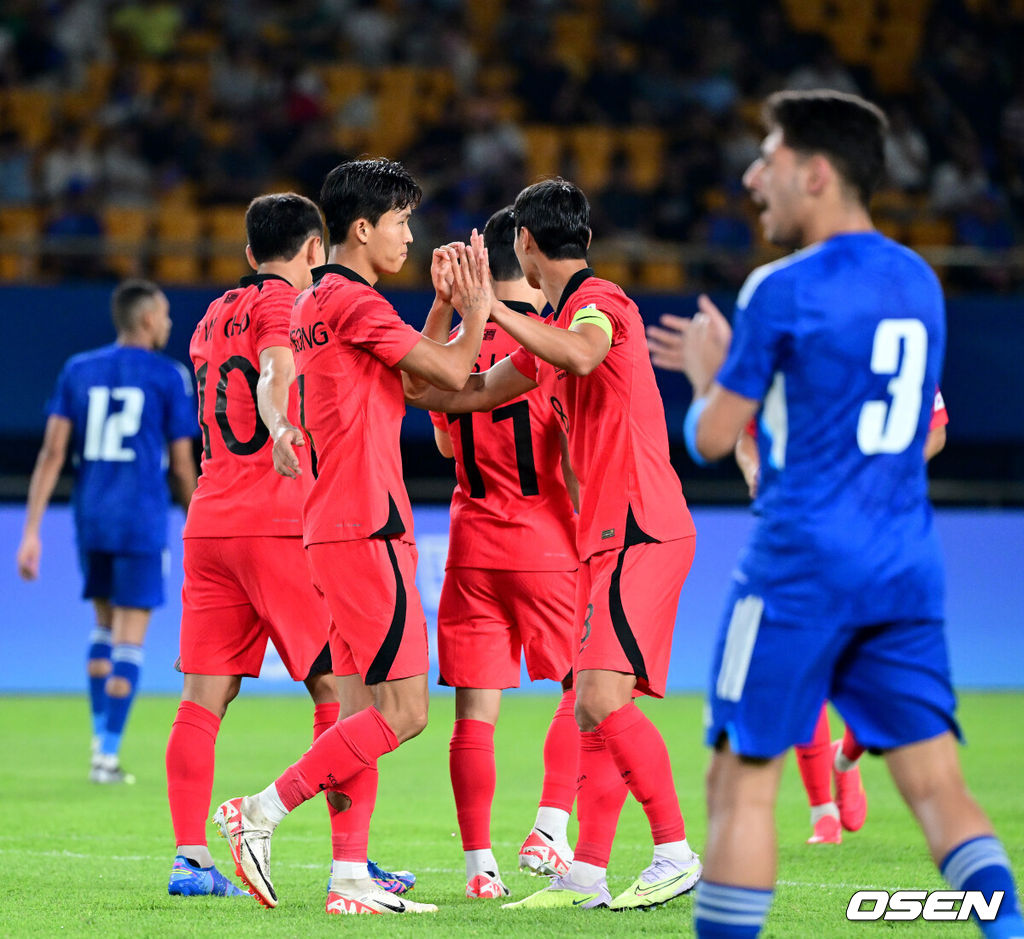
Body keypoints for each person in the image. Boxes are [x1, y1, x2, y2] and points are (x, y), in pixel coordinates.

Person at [668, 89, 1022, 939]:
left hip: (799, 566)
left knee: (739, 785)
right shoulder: (920, 280)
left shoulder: (780, 289)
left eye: (770, 158)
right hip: (904, 562)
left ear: (816, 172)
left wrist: (705, 375)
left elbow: (714, 438)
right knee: (939, 787)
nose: (754, 176)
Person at [405, 178, 702, 912]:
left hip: (640, 525)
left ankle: (673, 849)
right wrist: (437, 339)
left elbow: (582, 354)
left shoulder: (602, 305)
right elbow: (462, 394)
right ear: (583, 239)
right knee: (592, 704)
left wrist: (489, 306)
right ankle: (586, 872)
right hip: (600, 534)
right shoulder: (555, 328)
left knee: (598, 695)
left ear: (525, 246)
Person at [213, 157, 492, 916]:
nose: (409, 234)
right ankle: (260, 812)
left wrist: (440, 313)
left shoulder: (319, 301)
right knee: (404, 711)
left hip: (334, 522)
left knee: (360, 706)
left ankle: (348, 878)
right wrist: (479, 303)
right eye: (401, 220)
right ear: (363, 227)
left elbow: (409, 380)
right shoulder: (354, 301)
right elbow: (455, 373)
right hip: (368, 521)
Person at [164, 192, 413, 899]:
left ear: (249, 253)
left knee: (202, 696)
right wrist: (280, 429)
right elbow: (277, 373)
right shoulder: (289, 308)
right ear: (313, 251)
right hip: (278, 518)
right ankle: (351, 864)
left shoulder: (211, 316)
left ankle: (190, 858)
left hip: (210, 522)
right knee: (342, 687)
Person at [649, 330, 950, 848]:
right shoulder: (789, 345)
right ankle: (822, 813)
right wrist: (754, 469)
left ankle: (844, 757)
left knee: (894, 693)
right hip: (805, 541)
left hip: (881, 543)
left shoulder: (894, 343)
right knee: (801, 670)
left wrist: (881, 479)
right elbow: (740, 436)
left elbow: (936, 428)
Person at [428, 206, 580, 899]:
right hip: (546, 541)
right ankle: (550, 825)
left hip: (471, 546)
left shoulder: (456, 344)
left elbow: (440, 442)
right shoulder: (550, 341)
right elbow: (573, 455)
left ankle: (478, 866)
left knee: (474, 712)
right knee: (586, 689)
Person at [16, 279, 197, 783]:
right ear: (145, 319)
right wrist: (200, 521)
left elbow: (52, 454)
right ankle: (107, 756)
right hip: (140, 517)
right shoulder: (169, 376)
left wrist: (31, 531)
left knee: (102, 629)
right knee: (129, 641)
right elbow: (182, 467)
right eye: (163, 315)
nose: (168, 323)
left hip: (90, 516)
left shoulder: (79, 369)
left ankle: (99, 742)